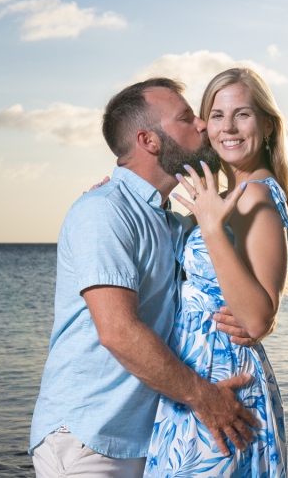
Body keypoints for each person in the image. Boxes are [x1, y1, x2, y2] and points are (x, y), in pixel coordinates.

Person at [29, 78, 259, 478]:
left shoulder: (170, 223)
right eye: (186, 118)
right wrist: (205, 399)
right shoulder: (103, 211)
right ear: (149, 141)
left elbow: (220, 279)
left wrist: (253, 320)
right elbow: (118, 332)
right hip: (89, 440)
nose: (203, 124)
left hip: (148, 441)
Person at [145, 67, 288, 477]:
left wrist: (211, 228)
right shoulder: (232, 194)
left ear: (267, 125)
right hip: (200, 383)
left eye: (242, 114)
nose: (228, 127)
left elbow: (256, 318)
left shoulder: (256, 195)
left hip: (224, 384)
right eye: (217, 115)